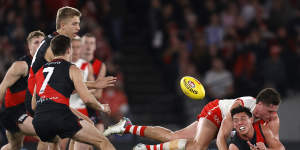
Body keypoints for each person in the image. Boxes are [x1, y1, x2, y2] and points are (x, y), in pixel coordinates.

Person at [104, 88, 281, 150]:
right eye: (271, 111)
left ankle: (127, 127)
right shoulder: (241, 106)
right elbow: (221, 137)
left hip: (226, 127)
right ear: (260, 104)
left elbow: (277, 146)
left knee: (172, 137)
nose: (273, 116)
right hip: (216, 113)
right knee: (198, 147)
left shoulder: (272, 121)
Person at [26, 6, 116, 117]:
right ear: (63, 25)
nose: (78, 28)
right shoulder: (55, 48)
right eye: (74, 24)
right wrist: (94, 84)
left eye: (78, 24)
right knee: (86, 129)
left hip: (47, 100)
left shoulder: (55, 41)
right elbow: (64, 85)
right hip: (40, 105)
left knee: (89, 124)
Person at [32, 35, 115, 150]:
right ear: (68, 50)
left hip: (39, 122)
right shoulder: (72, 69)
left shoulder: (40, 71)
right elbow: (87, 99)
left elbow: (34, 105)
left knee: (55, 142)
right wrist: (102, 107)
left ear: (53, 51)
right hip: (61, 117)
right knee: (102, 141)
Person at [0, 31, 49, 150]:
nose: (39, 45)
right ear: (29, 46)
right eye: (36, 42)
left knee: (15, 146)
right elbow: (2, 87)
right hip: (13, 112)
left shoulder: (48, 66)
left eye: (42, 42)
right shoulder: (21, 65)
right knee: (46, 135)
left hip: (30, 112)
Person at [81, 33, 108, 132]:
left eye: (91, 43)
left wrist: (79, 91)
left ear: (95, 46)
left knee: (100, 134)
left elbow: (98, 94)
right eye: (86, 43)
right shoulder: (73, 63)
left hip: (91, 108)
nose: (88, 46)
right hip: (74, 108)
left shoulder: (100, 65)